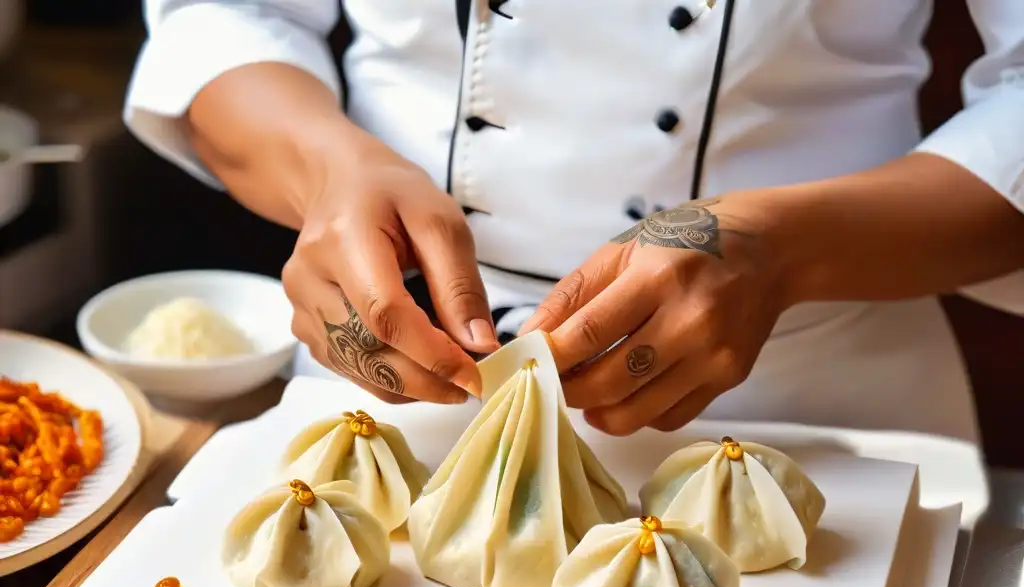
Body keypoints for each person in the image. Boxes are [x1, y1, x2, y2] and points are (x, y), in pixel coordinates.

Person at [125, 0, 1024, 443]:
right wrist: (330, 172)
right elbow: (225, 17)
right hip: (396, 370)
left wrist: (782, 250)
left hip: (813, 392)